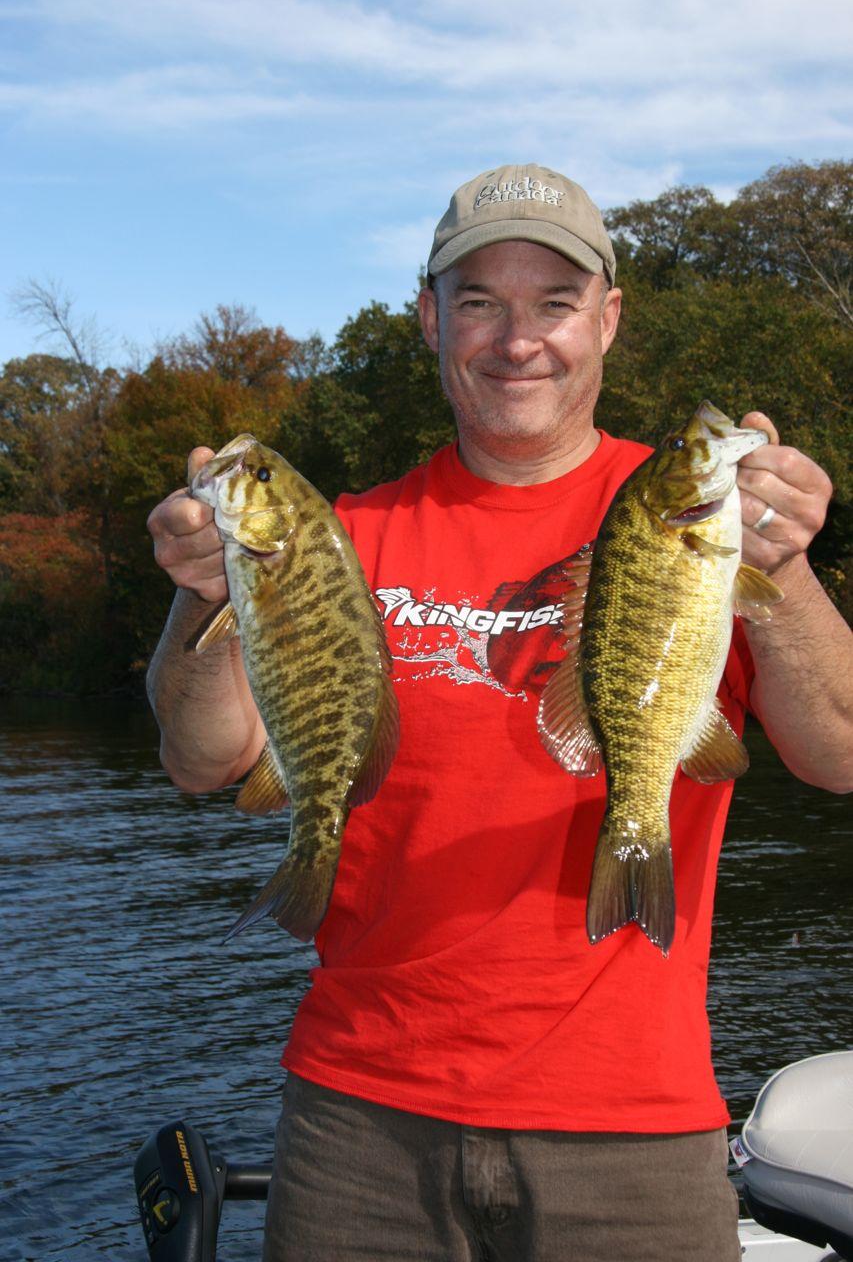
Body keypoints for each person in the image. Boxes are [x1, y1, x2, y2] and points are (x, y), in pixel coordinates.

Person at [146, 163, 853, 1261]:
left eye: (554, 303)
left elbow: (841, 752)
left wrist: (784, 569)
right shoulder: (342, 536)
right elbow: (203, 759)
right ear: (430, 319)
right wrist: (208, 586)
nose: (516, 338)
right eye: (478, 301)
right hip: (360, 1121)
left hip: (633, 1128)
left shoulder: (684, 521)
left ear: (607, 320)